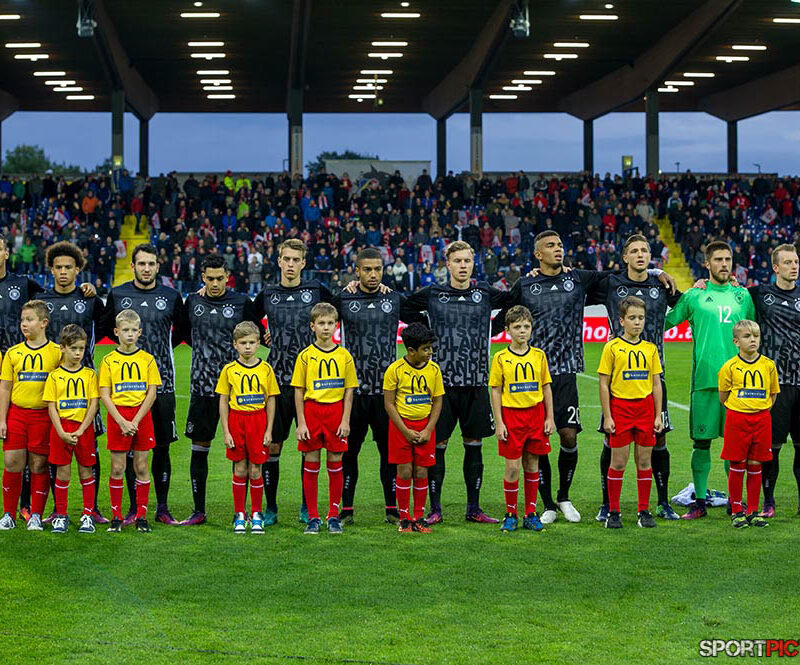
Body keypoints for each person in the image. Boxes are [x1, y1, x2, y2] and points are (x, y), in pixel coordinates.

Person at [406, 240, 510, 524]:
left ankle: (473, 508)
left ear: (472, 263)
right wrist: (427, 331)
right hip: (440, 387)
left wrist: (493, 327)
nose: (463, 266)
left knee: (473, 444)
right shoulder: (433, 294)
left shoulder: (484, 292)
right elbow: (402, 307)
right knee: (437, 444)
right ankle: (435, 509)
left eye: (467, 261)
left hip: (476, 383)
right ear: (447, 264)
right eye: (458, 261)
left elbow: (514, 301)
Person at [506, 231, 606, 524]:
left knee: (568, 434)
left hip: (565, 371)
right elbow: (507, 314)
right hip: (533, 375)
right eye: (550, 245)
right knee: (539, 441)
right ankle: (547, 502)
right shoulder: (525, 284)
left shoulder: (578, 278)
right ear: (538, 254)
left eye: (560, 244)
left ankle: (564, 496)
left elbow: (616, 278)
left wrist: (655, 271)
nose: (558, 249)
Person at [589, 234, 682, 521]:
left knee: (660, 440)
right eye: (634, 251)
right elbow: (581, 282)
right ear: (625, 257)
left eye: (645, 251)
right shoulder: (610, 284)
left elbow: (687, 301)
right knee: (611, 443)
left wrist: (693, 282)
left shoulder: (661, 285)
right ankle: (608, 504)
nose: (640, 255)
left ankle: (663, 502)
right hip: (619, 382)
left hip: (654, 375)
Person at [664, 241, 755, 519]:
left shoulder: (743, 296)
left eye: (728, 259)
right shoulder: (694, 296)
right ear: (707, 264)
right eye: (718, 260)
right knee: (701, 443)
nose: (725, 264)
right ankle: (700, 502)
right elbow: (665, 322)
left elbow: (754, 335)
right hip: (704, 382)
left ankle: (735, 501)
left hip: (739, 384)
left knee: (735, 446)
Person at [334, 247, 422, 525]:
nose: (373, 275)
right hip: (353, 393)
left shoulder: (394, 299)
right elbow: (317, 319)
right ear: (356, 271)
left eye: (378, 269)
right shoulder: (344, 298)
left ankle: (392, 509)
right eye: (367, 269)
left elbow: (422, 322)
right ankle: (346, 510)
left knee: (390, 455)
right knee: (349, 454)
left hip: (387, 395)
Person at [101, 243, 187, 526]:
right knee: (127, 449)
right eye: (141, 264)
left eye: (151, 264)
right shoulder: (118, 294)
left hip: (161, 388)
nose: (146, 268)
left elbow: (183, 333)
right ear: (133, 266)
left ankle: (161, 507)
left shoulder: (171, 296)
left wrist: (157, 354)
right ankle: (134, 508)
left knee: (161, 447)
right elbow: (104, 329)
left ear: (157, 266)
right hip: (126, 391)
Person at [180, 255, 263, 526]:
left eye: (219, 278)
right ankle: (199, 510)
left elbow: (259, 334)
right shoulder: (192, 302)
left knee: (243, 454)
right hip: (203, 388)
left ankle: (246, 511)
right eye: (209, 278)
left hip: (238, 393)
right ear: (202, 277)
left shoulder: (241, 303)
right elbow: (180, 333)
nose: (215, 284)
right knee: (200, 447)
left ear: (227, 276)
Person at [255, 239, 332, 523]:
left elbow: (339, 309)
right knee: (273, 446)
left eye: (295, 260)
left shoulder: (316, 290)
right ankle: (271, 508)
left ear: (303, 263)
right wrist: (264, 342)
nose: (290, 265)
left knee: (308, 446)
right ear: (279, 261)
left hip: (311, 383)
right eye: (285, 259)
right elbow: (246, 323)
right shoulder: (267, 294)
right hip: (275, 383)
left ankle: (305, 506)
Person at [38, 241, 107, 525]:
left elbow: (105, 328)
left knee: (91, 448)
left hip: (85, 382)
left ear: (78, 269)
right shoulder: (42, 301)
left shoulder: (90, 300)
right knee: (54, 449)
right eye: (58, 267)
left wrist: (95, 291)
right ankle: (58, 509)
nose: (63, 272)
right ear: (51, 269)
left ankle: (94, 509)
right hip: (51, 384)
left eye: (69, 267)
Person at [291, 303, 358, 535]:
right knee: (311, 463)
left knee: (335, 462)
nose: (326, 328)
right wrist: (301, 422)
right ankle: (312, 517)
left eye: (330, 323)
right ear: (312, 326)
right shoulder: (305, 356)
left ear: (336, 325)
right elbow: (298, 390)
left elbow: (349, 390)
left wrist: (346, 420)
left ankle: (332, 516)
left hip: (336, 413)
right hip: (312, 412)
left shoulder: (344, 355)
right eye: (321, 323)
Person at [597, 296, 664, 529]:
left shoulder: (650, 349)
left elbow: (656, 384)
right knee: (618, 462)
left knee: (645, 462)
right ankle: (613, 512)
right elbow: (604, 383)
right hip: (621, 409)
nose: (637, 323)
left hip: (644, 410)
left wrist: (658, 414)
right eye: (632, 318)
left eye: (641, 318)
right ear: (622, 321)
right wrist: (607, 415)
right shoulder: (612, 347)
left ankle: (643, 511)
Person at [489, 305, 554, 533]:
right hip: (512, 417)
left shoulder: (539, 356)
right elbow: (496, 390)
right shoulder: (500, 358)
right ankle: (511, 513)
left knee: (532, 465)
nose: (522, 331)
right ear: (507, 330)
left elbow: (546, 387)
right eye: (517, 327)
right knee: (513, 468)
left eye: (526, 326)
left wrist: (550, 418)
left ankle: (531, 513)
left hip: (535, 416)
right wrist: (499, 422)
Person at [747, 244, 800, 517]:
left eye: (796, 261)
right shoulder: (760, 294)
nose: (794, 266)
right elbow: (730, 296)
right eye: (788, 262)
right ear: (775, 267)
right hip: (775, 385)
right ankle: (769, 501)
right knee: (773, 447)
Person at [0, 300, 62, 531]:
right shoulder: (13, 353)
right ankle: (8, 514)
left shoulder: (57, 353)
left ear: (44, 323)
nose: (24, 324)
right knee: (12, 462)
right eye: (23, 320)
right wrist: (2, 419)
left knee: (39, 464)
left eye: (30, 320)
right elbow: (5, 387)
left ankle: (36, 514)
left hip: (43, 417)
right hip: (17, 415)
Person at [98, 309, 162, 533]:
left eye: (134, 330)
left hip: (141, 417)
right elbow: (104, 394)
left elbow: (151, 393)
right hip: (118, 416)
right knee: (117, 467)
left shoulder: (147, 359)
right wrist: (122, 421)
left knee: (142, 466)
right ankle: (116, 517)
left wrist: (134, 420)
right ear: (116, 332)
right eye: (125, 330)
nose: (130, 334)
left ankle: (141, 517)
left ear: (140, 332)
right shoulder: (108, 360)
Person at [216, 321, 280, 534]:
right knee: (240, 468)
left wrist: (269, 429)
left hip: (258, 421)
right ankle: (239, 514)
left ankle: (257, 514)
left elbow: (271, 399)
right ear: (235, 344)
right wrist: (226, 431)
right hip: (237, 421)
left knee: (256, 469)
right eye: (243, 343)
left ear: (258, 343)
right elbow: (223, 401)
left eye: (252, 342)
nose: (248, 347)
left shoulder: (266, 369)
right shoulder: (229, 370)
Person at [383, 322, 444, 533]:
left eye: (431, 348)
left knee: (421, 470)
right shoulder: (395, 370)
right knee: (405, 470)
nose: (430, 353)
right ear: (411, 350)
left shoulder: (434, 369)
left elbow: (437, 401)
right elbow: (389, 404)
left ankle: (419, 517)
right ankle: (405, 519)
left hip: (425, 426)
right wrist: (405, 431)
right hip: (401, 428)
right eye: (425, 349)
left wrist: (428, 429)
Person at [718, 320, 779, 528]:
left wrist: (759, 410)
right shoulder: (729, 367)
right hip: (737, 419)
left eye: (756, 336)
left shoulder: (769, 365)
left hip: (761, 419)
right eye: (747, 336)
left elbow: (772, 395)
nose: (752, 340)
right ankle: (737, 511)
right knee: (737, 464)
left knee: (756, 464)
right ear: (736, 341)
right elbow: (723, 396)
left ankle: (753, 511)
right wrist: (741, 408)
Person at [42, 325, 100, 534]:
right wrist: (61, 432)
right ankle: (61, 515)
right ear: (63, 348)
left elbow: (93, 405)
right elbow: (51, 407)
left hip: (83, 429)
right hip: (61, 430)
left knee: (86, 471)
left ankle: (87, 515)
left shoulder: (90, 375)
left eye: (82, 349)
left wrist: (82, 429)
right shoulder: (55, 376)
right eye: (74, 348)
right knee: (63, 473)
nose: (78, 353)